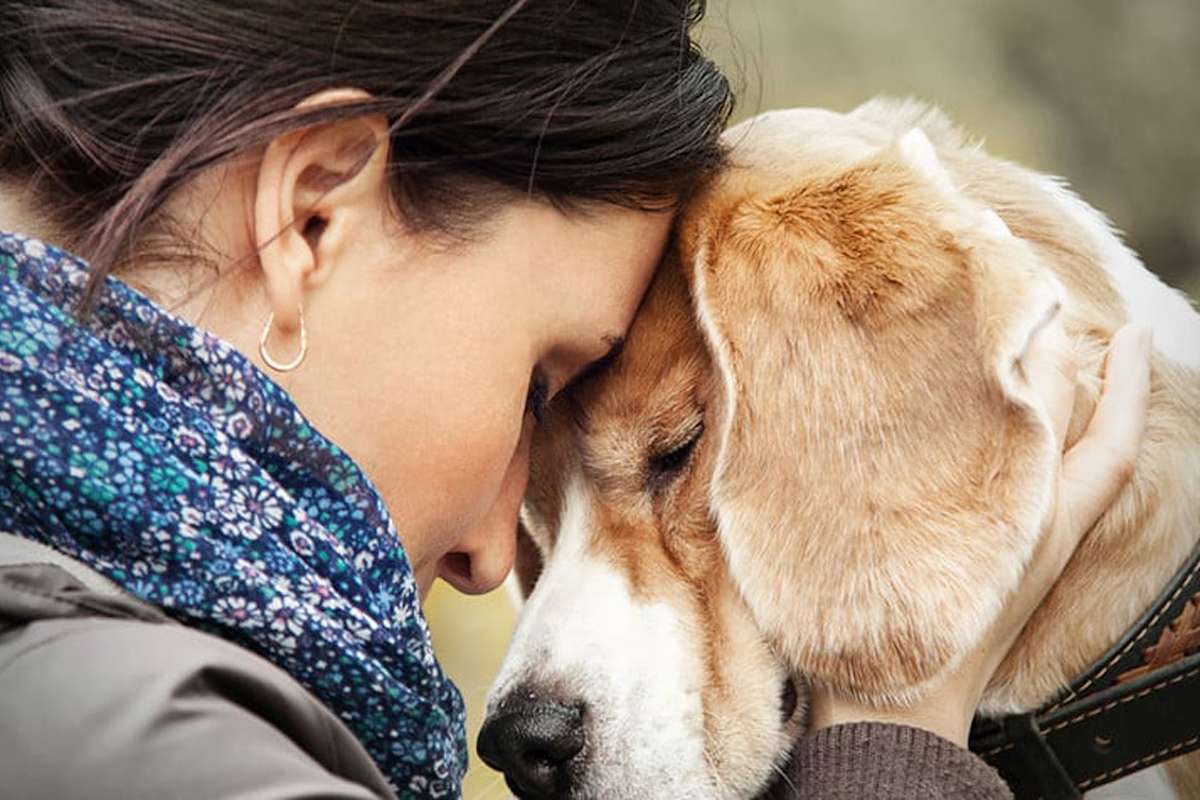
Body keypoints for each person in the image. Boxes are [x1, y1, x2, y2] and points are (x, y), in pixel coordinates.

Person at [0, 2, 1149, 798]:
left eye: (669, 445)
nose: (496, 560)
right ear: (311, 218)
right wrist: (894, 745)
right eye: (538, 383)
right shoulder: (134, 733)